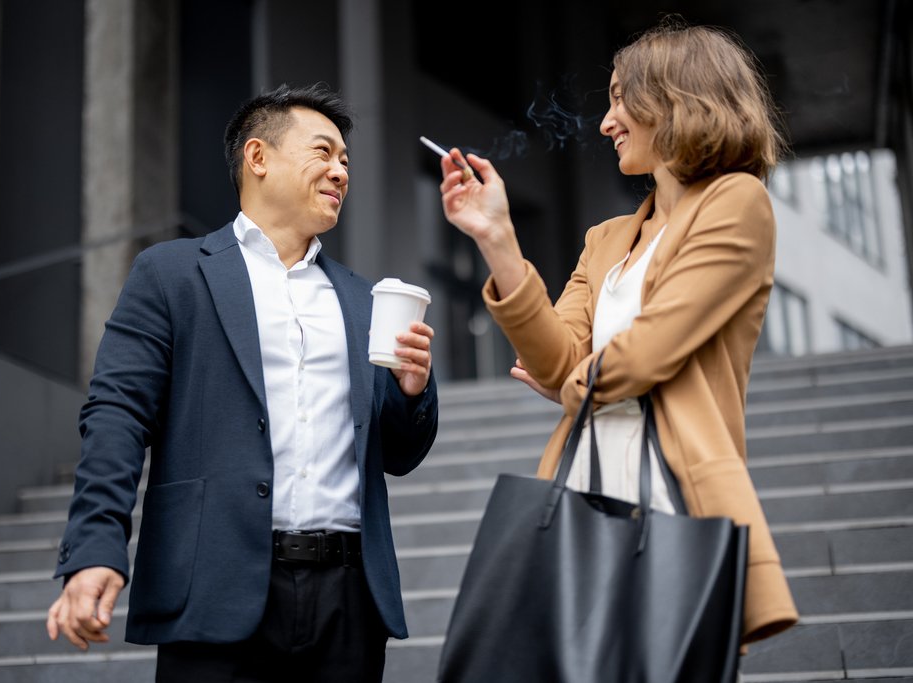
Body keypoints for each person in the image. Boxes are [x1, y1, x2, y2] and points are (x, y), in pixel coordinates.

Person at [46, 83, 439, 682]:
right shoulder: (172, 274)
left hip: (349, 605)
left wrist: (412, 391)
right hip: (214, 589)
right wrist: (96, 549)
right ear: (258, 157)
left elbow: (400, 454)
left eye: (346, 162)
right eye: (324, 152)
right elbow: (116, 415)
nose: (340, 171)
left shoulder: (364, 300)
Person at [436, 20, 798, 650]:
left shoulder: (738, 203)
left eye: (620, 99)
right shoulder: (605, 240)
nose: (606, 122)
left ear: (678, 99)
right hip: (583, 480)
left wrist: (575, 384)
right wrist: (497, 240)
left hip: (675, 489)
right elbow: (557, 360)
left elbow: (649, 350)